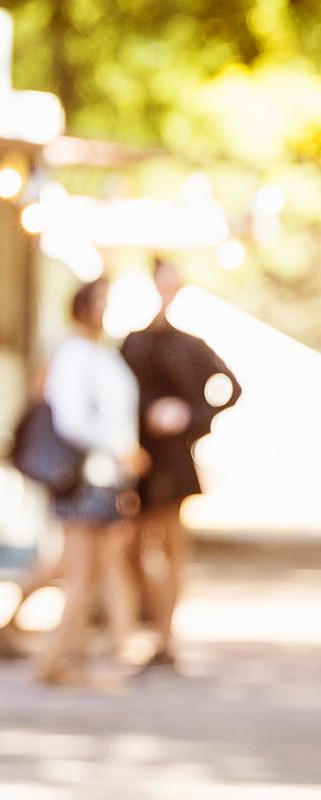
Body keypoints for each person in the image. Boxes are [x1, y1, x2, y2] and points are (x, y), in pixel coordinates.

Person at [121, 257, 240, 673]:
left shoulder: (190, 343)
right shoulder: (134, 341)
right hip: (140, 455)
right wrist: (146, 416)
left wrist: (192, 418)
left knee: (170, 547)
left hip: (172, 458)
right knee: (133, 549)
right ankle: (152, 625)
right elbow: (123, 392)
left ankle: (166, 637)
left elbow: (230, 387)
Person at [33, 277, 146, 689]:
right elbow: (72, 419)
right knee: (80, 572)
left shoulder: (102, 354)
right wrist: (118, 449)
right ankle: (54, 657)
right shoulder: (75, 356)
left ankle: (70, 654)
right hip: (85, 476)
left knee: (97, 568)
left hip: (107, 475)